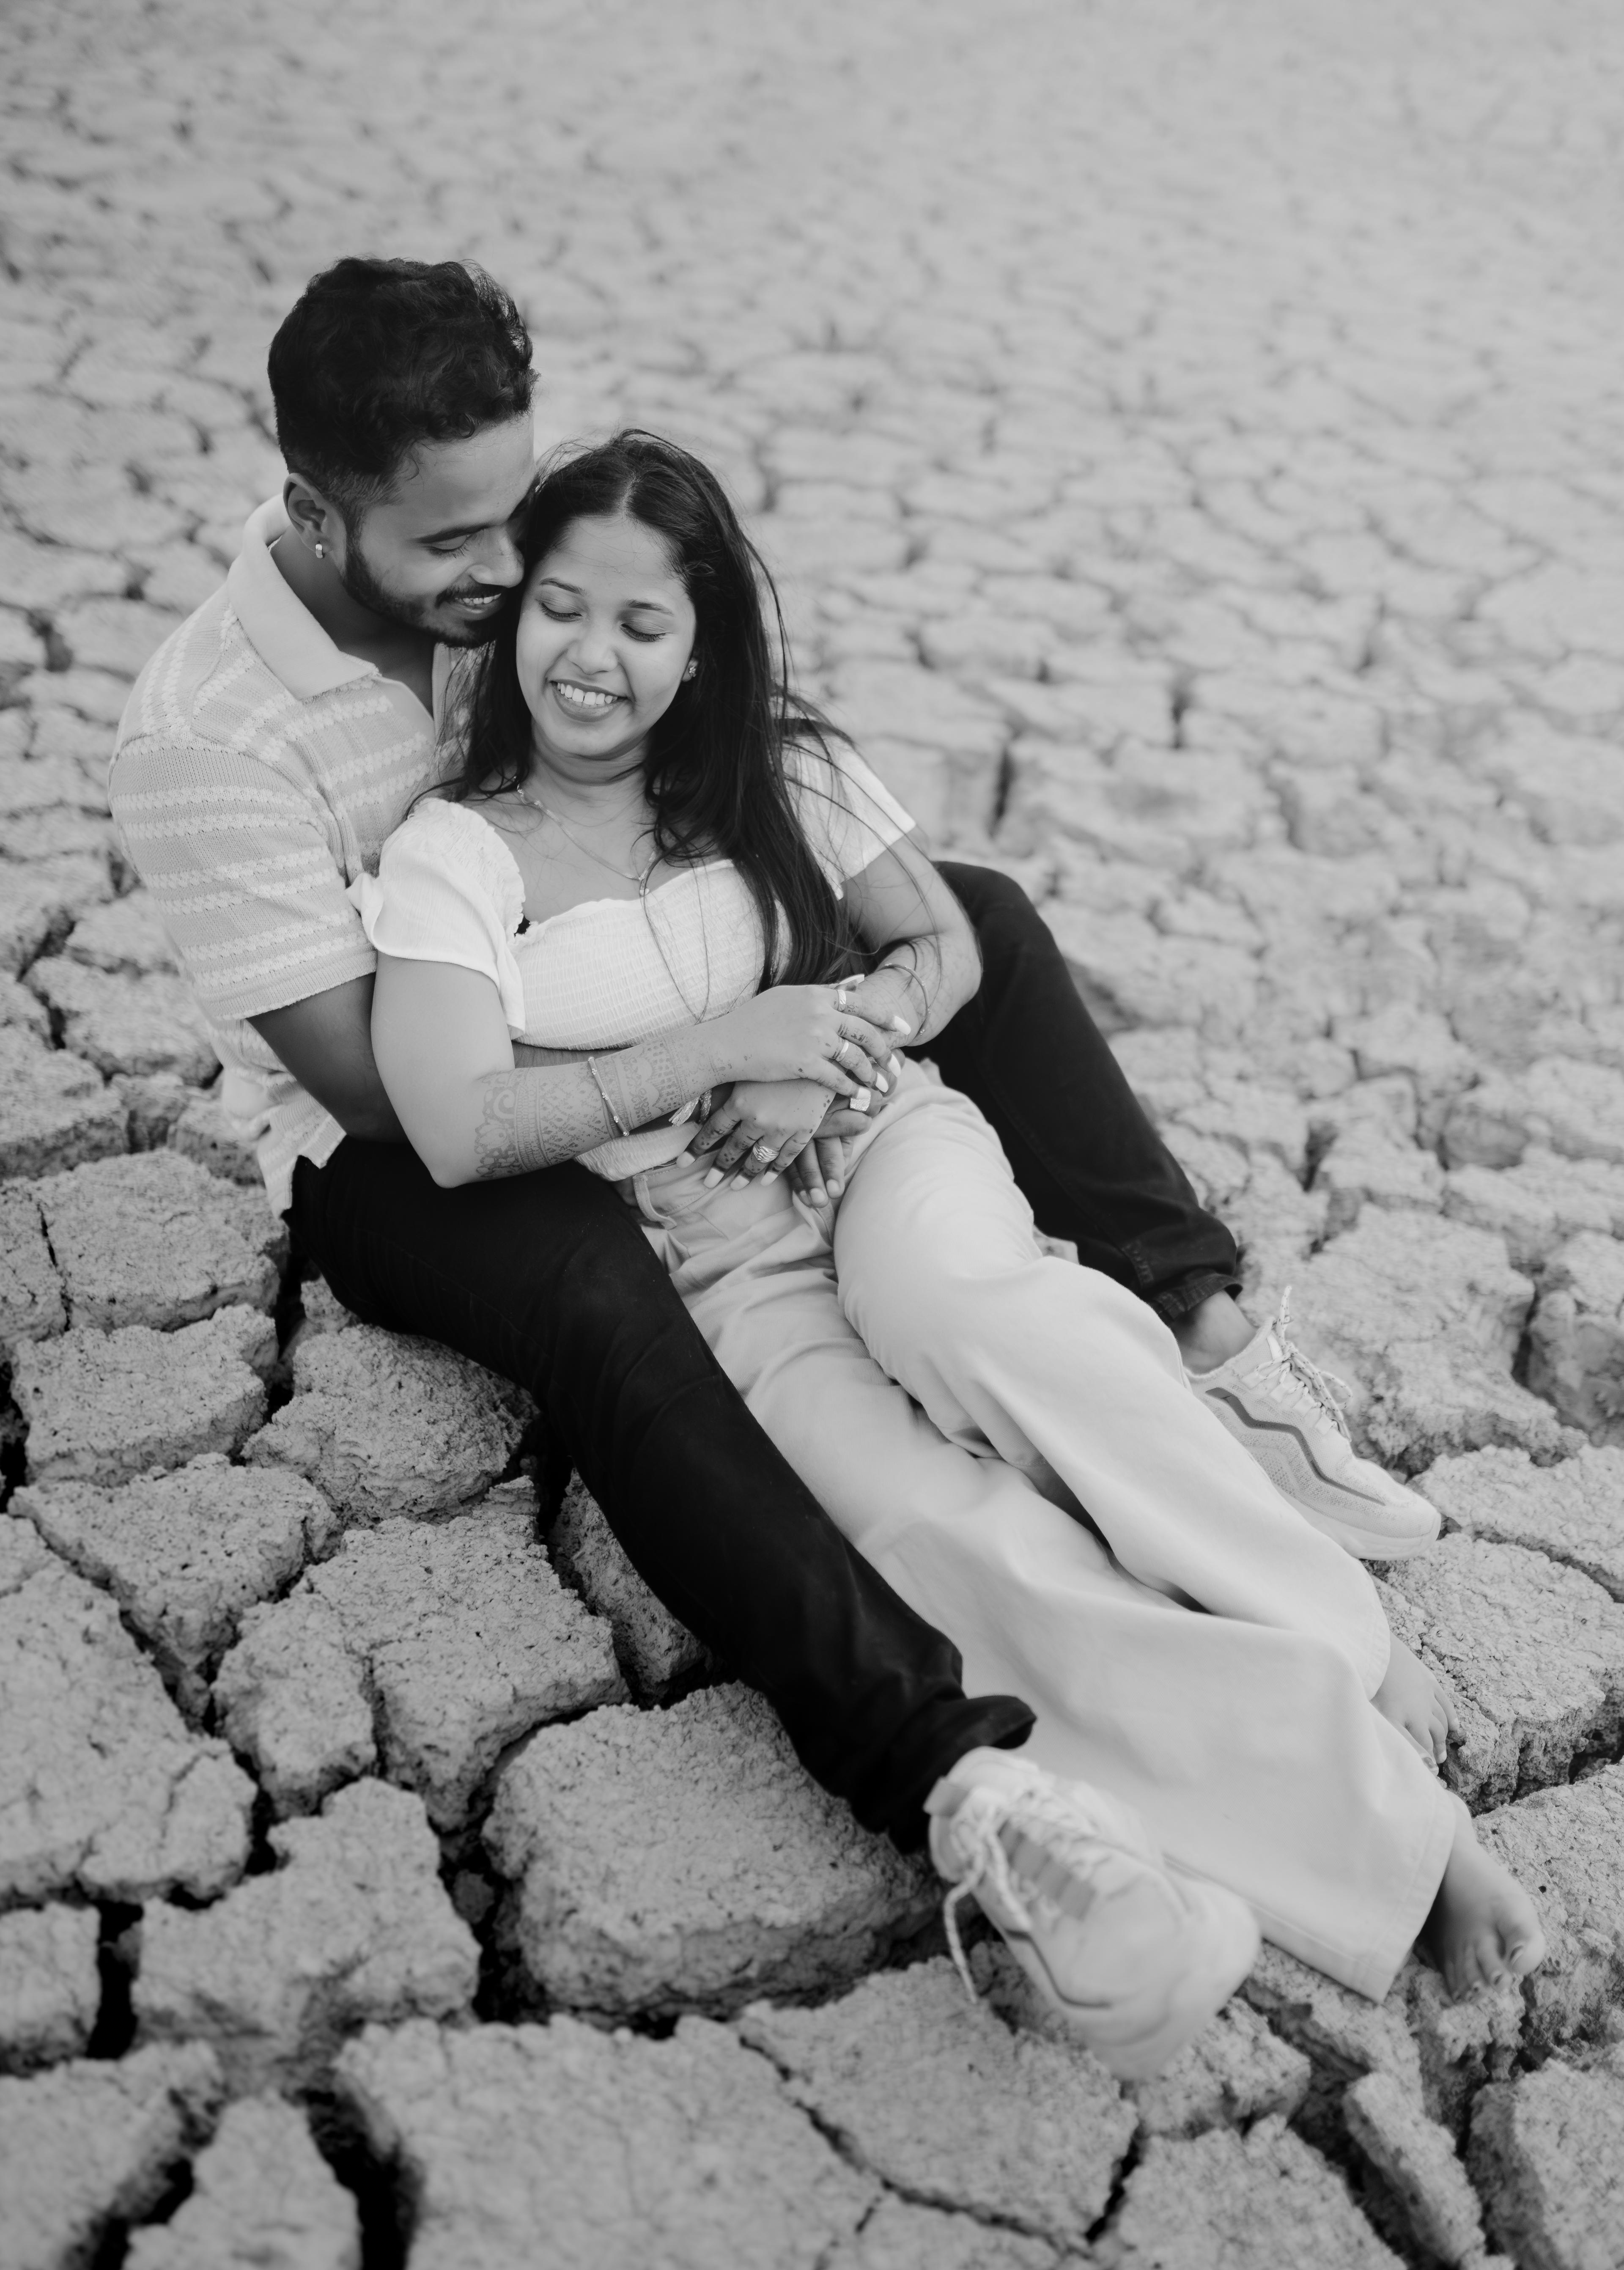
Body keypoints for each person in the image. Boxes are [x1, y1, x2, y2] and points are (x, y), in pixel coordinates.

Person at [105, 257, 1439, 2079]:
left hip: (662, 1022)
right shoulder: (209, 738)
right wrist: (735, 1039)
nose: (512, 580)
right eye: (464, 548)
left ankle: (1206, 1325)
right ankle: (958, 1787)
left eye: (526, 511)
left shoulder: (549, 597)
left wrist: (820, 1027)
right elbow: (414, 1103)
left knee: (972, 917)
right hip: (397, 1148)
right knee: (600, 1292)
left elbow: (729, 763)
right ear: (321, 510)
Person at [354, 425, 1546, 2036]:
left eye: (644, 626)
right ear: (518, 620)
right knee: (925, 1525)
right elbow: (454, 1118)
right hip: (704, 1251)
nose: (594, 658)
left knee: (984, 1318)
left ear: (701, 645)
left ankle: (1322, 1622)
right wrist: (725, 1045)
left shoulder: (774, 765)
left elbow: (946, 941)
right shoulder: (459, 850)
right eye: (563, 609)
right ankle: (1385, 1829)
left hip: (870, 1138)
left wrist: (832, 1039)